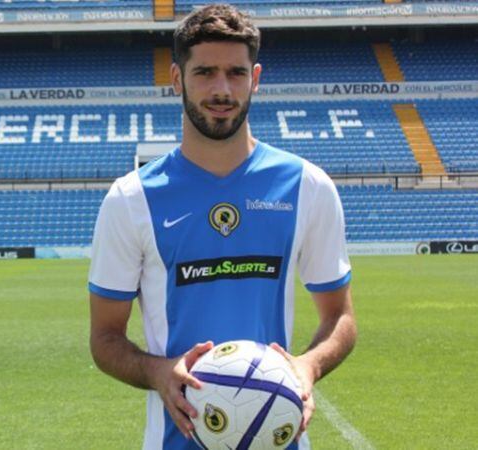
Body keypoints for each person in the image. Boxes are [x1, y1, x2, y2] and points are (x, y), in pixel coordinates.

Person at [87, 4, 357, 450]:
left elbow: (340, 317)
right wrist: (159, 371)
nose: (222, 89)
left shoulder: (307, 186)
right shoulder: (131, 199)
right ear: (177, 78)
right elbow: (104, 337)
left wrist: (308, 366)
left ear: (255, 77)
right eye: (205, 72)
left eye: (235, 73)